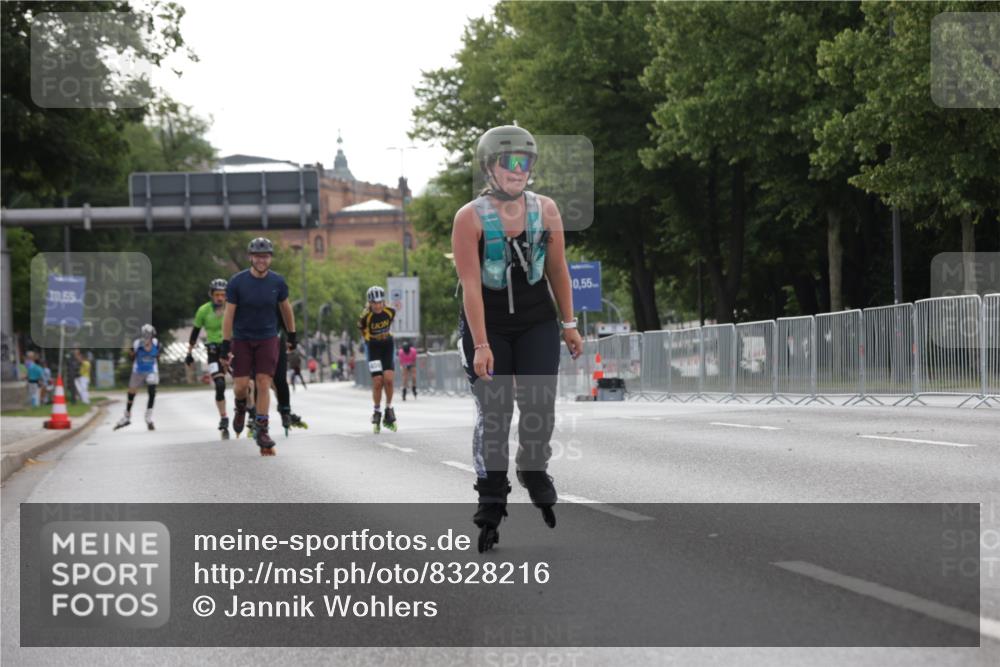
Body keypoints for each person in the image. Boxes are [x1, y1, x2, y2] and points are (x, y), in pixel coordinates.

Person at [452, 124, 583, 552]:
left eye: (526, 162)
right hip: (485, 322)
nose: (519, 170)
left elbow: (558, 269)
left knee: (539, 402)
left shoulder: (545, 209)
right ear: (490, 166)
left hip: (536, 320)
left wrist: (569, 323)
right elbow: (471, 284)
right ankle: (491, 500)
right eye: (510, 162)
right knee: (495, 412)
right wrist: (482, 344)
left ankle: (532, 466)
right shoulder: (468, 217)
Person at [221, 237, 296, 455]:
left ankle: (262, 428)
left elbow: (286, 309)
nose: (261, 260)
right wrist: (226, 344)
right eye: (257, 256)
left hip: (268, 338)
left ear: (270, 258)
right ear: (250, 257)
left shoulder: (278, 282)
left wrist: (292, 335)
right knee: (241, 386)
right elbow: (228, 315)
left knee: (264, 382)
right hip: (242, 338)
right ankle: (240, 405)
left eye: (265, 256)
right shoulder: (237, 282)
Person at [186, 278, 231, 439]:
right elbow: (195, 333)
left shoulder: (232, 308)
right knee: (220, 384)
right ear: (211, 295)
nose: (220, 298)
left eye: (223, 295)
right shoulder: (203, 310)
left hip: (232, 348)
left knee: (246, 383)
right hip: (213, 351)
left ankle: (249, 409)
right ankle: (224, 417)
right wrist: (189, 353)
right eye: (217, 295)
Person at [358, 285, 397, 432]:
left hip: (387, 345)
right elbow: (362, 331)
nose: (378, 305)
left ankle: (389, 408)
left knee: (388, 379)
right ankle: (376, 410)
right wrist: (370, 339)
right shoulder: (365, 317)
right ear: (370, 303)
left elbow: (390, 323)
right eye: (375, 303)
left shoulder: (390, 311)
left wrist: (383, 336)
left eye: (380, 302)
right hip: (373, 348)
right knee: (377, 381)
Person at [114, 324, 161, 430]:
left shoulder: (156, 343)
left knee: (152, 392)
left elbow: (158, 355)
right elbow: (131, 355)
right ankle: (127, 416)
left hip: (151, 370)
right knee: (131, 394)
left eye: (150, 335)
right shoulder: (137, 343)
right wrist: (134, 353)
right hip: (138, 370)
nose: (148, 337)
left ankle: (148, 417)